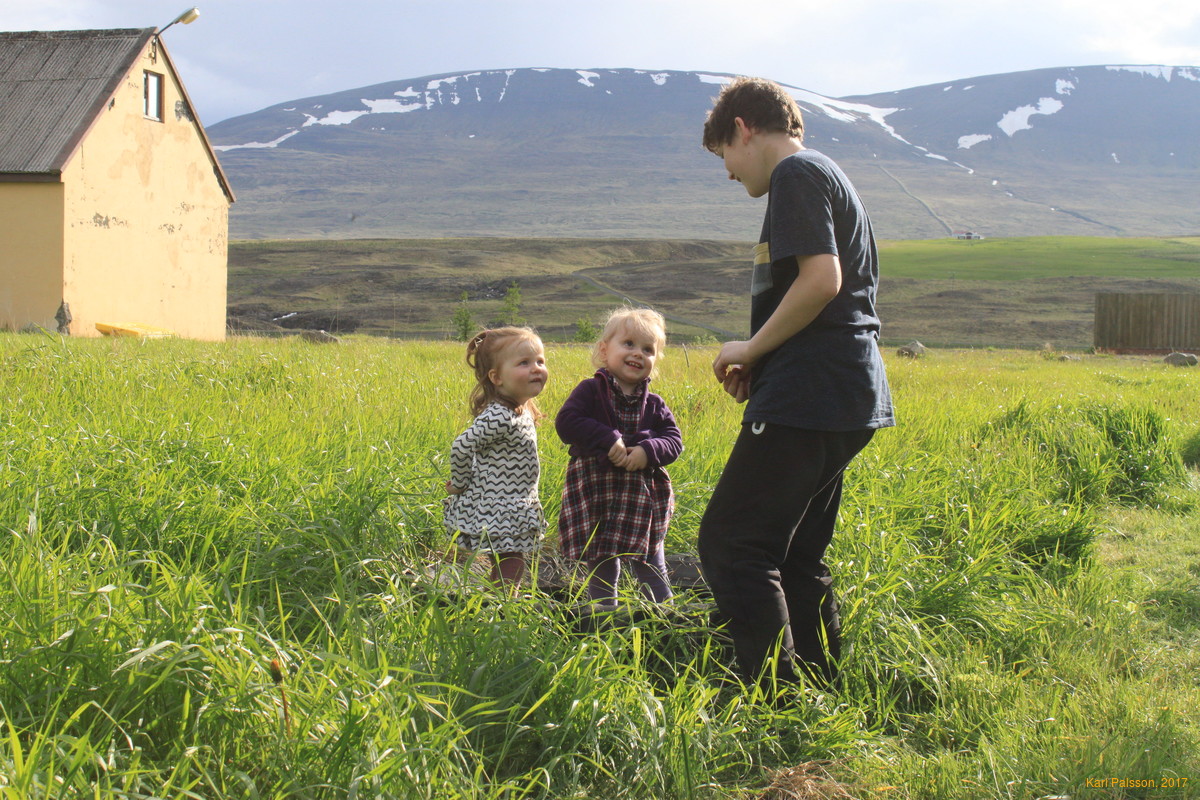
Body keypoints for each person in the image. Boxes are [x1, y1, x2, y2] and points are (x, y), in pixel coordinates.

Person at [697, 77, 895, 689]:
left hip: (813, 394)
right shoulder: (827, 176)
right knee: (795, 555)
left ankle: (771, 699)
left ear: (744, 129)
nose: (728, 173)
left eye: (723, 154)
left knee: (733, 544)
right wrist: (764, 364)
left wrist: (752, 347)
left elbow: (822, 281)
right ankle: (820, 686)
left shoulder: (796, 175)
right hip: (846, 393)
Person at [556, 308, 683, 610]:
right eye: (628, 344)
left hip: (641, 499)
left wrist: (648, 451)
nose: (638, 353)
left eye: (648, 349)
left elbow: (674, 440)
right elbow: (567, 423)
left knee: (651, 563)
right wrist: (606, 437)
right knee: (601, 562)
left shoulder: (654, 403)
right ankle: (604, 621)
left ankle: (665, 618)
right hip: (598, 493)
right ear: (604, 350)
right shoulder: (590, 391)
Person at [443, 327, 549, 589]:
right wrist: (459, 482)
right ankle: (501, 608)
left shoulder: (519, 407)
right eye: (524, 363)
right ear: (497, 377)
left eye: (540, 361)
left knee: (506, 556)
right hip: (499, 503)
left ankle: (495, 602)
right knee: (511, 559)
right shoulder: (499, 415)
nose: (536, 368)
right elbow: (461, 445)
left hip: (509, 500)